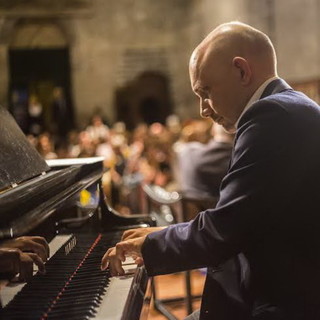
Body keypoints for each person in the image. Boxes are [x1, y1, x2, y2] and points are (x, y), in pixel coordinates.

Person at [101, 21, 320, 320]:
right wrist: (165, 234)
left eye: (205, 91)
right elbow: (242, 220)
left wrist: (152, 246)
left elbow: (225, 231)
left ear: (242, 71)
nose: (203, 108)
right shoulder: (286, 107)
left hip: (286, 302)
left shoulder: (271, 115)